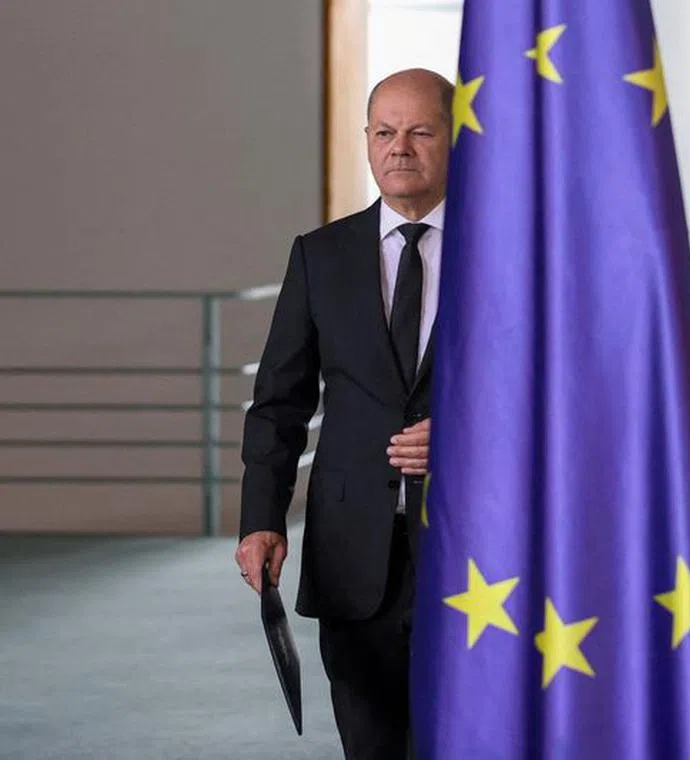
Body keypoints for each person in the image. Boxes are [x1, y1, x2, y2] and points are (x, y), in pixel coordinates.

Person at [234, 67, 453, 760]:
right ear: (366, 141)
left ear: (456, 141)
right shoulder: (320, 256)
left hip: (475, 558)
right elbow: (279, 402)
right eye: (385, 132)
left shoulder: (509, 258)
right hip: (352, 554)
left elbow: (552, 399)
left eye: (420, 131)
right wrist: (261, 518)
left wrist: (468, 441)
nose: (401, 148)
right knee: (371, 745)